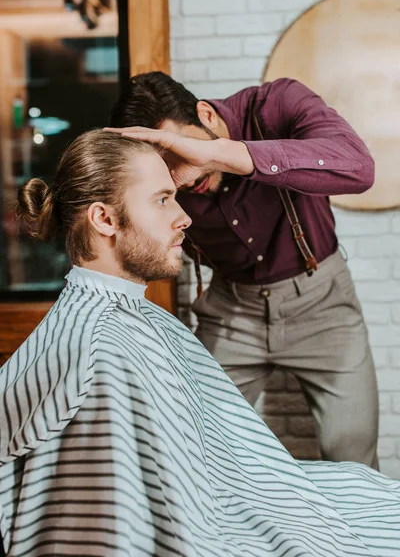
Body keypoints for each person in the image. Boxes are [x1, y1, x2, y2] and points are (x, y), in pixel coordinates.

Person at [1, 130, 399, 557]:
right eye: (161, 200)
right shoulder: (99, 349)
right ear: (105, 219)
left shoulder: (122, 320)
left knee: (366, 488)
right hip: (224, 524)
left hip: (243, 498)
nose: (185, 217)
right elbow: (118, 527)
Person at [107, 71, 379, 468]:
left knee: (352, 458)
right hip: (231, 312)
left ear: (206, 115)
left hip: (324, 307)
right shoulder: (169, 179)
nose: (185, 175)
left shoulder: (275, 106)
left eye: (188, 150)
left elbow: (358, 168)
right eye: (168, 168)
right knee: (199, 451)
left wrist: (223, 155)